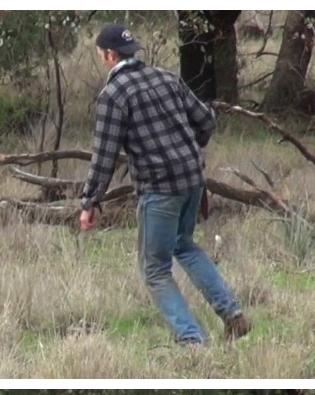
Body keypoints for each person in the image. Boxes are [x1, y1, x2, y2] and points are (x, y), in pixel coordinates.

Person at [80, 24, 249, 346]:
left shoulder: (114, 94)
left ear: (110, 55)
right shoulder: (167, 78)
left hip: (160, 189)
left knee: (154, 269)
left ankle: (191, 339)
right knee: (183, 244)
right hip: (193, 180)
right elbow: (207, 121)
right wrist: (187, 147)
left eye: (102, 55)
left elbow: (104, 155)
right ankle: (232, 315)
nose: (102, 59)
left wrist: (90, 202)